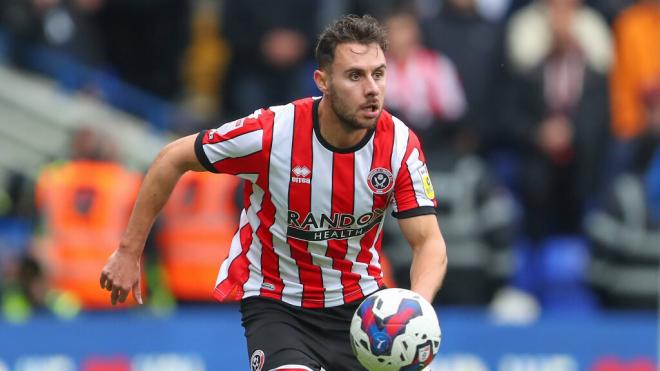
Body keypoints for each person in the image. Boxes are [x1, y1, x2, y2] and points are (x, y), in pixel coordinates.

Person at [100, 14, 448, 371]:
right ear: (323, 81)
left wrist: (414, 311)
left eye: (378, 73)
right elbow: (171, 158)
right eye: (355, 75)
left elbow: (428, 242)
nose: (372, 88)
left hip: (361, 309)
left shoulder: (400, 145)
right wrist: (129, 252)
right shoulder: (273, 133)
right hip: (278, 306)